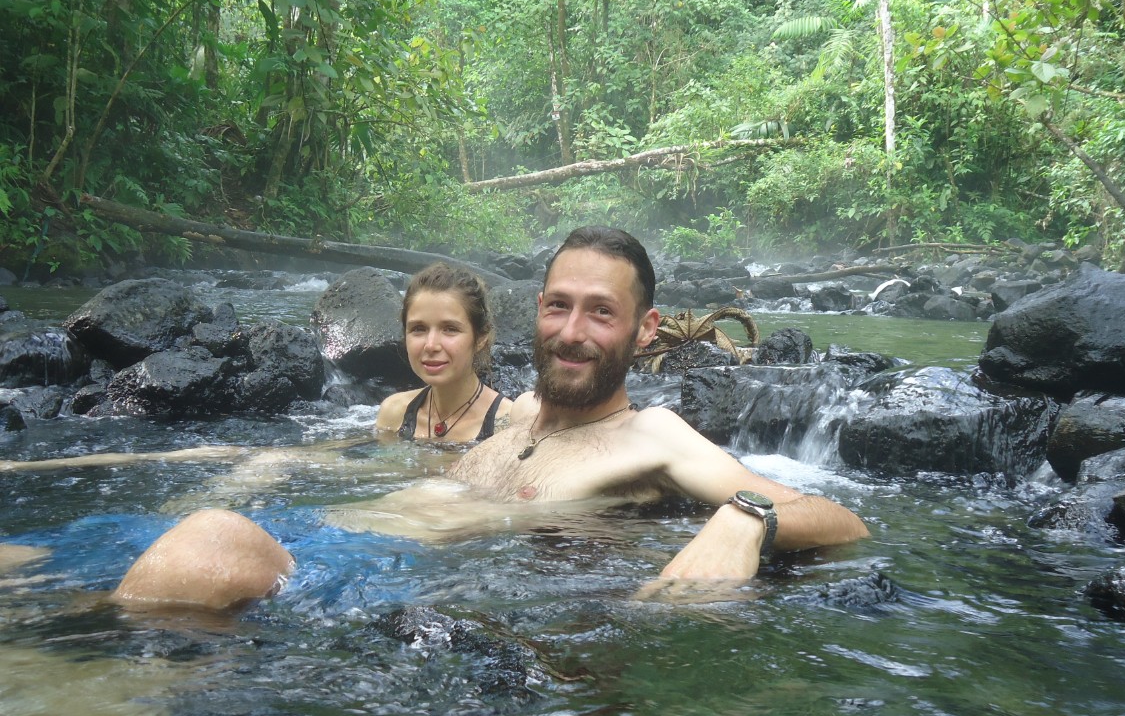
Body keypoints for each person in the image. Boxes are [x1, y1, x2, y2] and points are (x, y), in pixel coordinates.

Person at [111, 227, 869, 611]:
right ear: (536, 311)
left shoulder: (653, 434)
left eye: (601, 312)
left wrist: (743, 517)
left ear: (645, 330)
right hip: (321, 543)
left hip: (355, 584)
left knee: (205, 542)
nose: (572, 331)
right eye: (559, 306)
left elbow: (840, 519)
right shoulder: (514, 422)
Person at [375, 262, 512, 444]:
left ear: (480, 338)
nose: (431, 345)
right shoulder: (394, 415)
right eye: (419, 329)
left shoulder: (507, 425)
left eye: (450, 329)